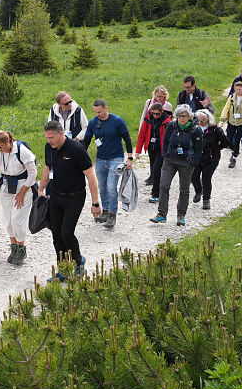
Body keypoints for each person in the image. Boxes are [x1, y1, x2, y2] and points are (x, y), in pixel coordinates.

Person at [38, 120, 99, 279]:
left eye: (52, 137)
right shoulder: (49, 148)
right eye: (47, 137)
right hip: (56, 196)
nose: (49, 141)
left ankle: (78, 262)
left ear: (61, 133)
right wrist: (40, 188)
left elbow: (91, 177)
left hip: (75, 197)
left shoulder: (77, 149)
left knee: (66, 233)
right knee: (56, 234)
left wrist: (95, 203)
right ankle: (63, 269)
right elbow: (47, 168)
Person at [80, 98, 133, 229]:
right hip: (100, 159)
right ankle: (106, 210)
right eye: (96, 112)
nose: (98, 114)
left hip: (116, 158)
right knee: (102, 186)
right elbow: (86, 141)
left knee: (111, 186)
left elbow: (127, 139)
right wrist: (80, 156)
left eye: (100, 111)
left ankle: (113, 214)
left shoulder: (117, 121)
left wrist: (130, 157)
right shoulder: (93, 123)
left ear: (106, 108)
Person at [149, 104, 203, 227]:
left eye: (184, 116)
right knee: (164, 185)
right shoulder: (172, 126)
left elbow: (199, 149)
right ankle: (162, 214)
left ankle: (181, 215)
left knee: (184, 189)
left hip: (186, 162)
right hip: (170, 160)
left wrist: (193, 162)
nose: (181, 119)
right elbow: (166, 141)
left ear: (189, 117)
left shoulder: (196, 130)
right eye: (179, 116)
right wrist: (165, 156)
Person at [0, 129, 36, 266]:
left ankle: (21, 248)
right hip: (5, 186)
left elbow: (33, 174)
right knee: (8, 219)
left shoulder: (22, 151)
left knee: (17, 219)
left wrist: (22, 193)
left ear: (9, 142)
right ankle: (14, 246)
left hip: (23, 186)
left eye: (0, 146)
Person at [191, 110, 230, 211]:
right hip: (197, 157)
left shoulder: (215, 129)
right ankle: (199, 191)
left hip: (211, 158)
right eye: (198, 120)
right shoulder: (194, 128)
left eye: (202, 121)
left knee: (206, 179)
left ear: (208, 120)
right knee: (194, 177)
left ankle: (206, 200)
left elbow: (225, 142)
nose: (200, 123)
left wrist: (217, 148)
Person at [137, 101, 173, 203]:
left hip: (161, 149)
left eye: (157, 114)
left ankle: (155, 193)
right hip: (151, 148)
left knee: (157, 170)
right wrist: (138, 151)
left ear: (162, 112)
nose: (155, 116)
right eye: (153, 113)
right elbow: (142, 134)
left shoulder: (168, 121)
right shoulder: (148, 119)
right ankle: (160, 188)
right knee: (153, 170)